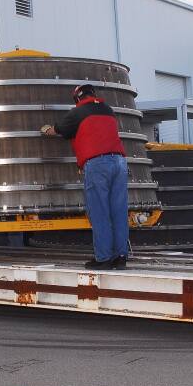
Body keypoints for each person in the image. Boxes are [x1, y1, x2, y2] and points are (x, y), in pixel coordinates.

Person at [41, 84, 129, 270]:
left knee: (99, 212)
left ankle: (104, 258)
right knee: (118, 211)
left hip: (98, 164)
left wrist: (48, 130)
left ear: (77, 99)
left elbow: (62, 129)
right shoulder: (108, 110)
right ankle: (120, 256)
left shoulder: (78, 112)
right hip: (120, 163)